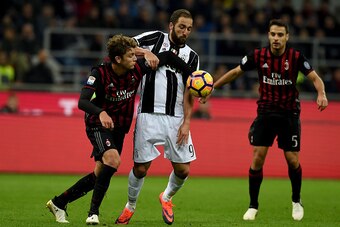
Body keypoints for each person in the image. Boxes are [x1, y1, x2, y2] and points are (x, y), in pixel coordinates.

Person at [46, 34, 194, 224]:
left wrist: (193, 74)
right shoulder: (99, 73)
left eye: (135, 55)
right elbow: (82, 101)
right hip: (97, 123)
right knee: (113, 160)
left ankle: (59, 202)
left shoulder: (137, 69)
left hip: (119, 127)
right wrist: (100, 112)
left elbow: (169, 57)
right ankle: (93, 213)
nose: (136, 58)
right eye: (132, 55)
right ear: (118, 59)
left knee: (101, 172)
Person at [201, 19, 328, 221]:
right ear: (268, 35)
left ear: (287, 37)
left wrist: (321, 93)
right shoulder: (258, 55)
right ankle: (253, 206)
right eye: (272, 34)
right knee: (258, 158)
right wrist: (213, 87)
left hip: (289, 114)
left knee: (292, 159)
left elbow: (315, 78)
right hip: (266, 113)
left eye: (280, 35)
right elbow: (235, 72)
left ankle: (296, 200)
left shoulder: (296, 57)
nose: (276, 38)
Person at [115, 9, 199, 225]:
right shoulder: (154, 38)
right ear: (171, 25)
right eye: (181, 26)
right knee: (141, 168)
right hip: (148, 115)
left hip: (177, 117)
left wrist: (187, 122)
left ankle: (166, 197)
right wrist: (146, 52)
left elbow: (191, 91)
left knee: (183, 169)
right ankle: (130, 206)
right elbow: (123, 46)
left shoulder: (192, 57)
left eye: (189, 28)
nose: (185, 32)